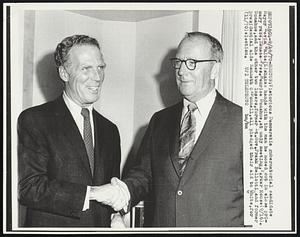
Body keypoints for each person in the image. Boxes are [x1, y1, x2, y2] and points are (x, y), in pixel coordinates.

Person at [106, 31, 243, 227]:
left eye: (192, 63)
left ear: (214, 69)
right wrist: (120, 200)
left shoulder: (242, 121)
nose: (181, 71)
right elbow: (143, 176)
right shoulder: (159, 121)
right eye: (178, 62)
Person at [18, 34, 126, 227]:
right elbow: (30, 188)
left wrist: (116, 216)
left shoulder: (110, 130)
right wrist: (92, 193)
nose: (97, 77)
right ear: (64, 74)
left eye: (100, 67)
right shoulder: (35, 120)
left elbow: (111, 190)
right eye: (86, 69)